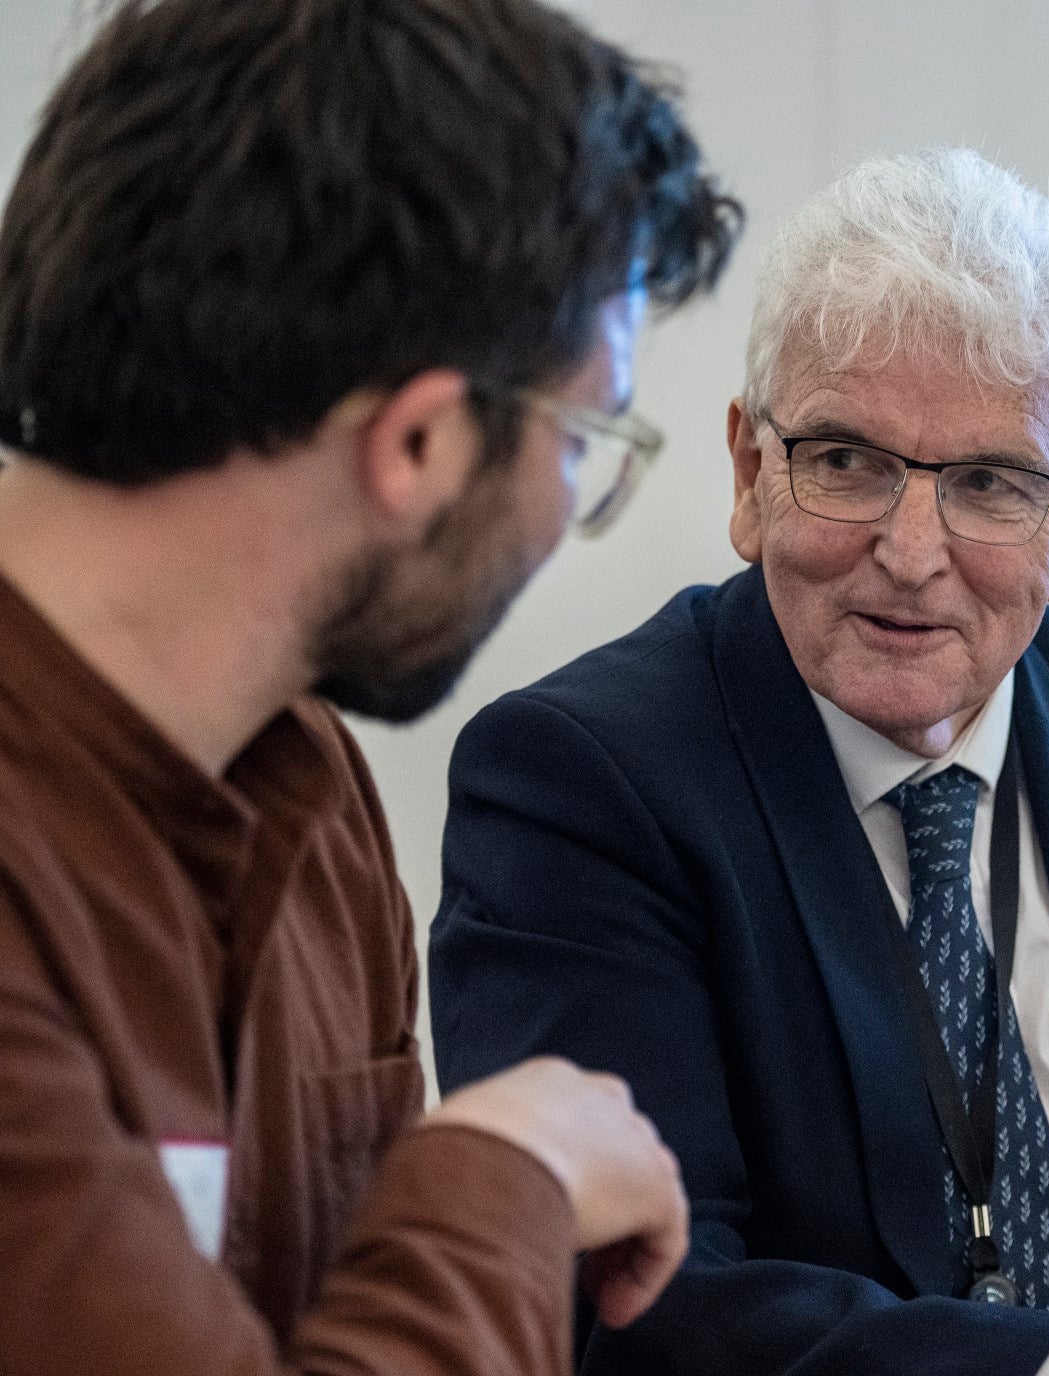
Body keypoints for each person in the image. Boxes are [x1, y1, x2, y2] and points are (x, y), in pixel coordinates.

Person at [430, 148, 1049, 1376]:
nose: (912, 552)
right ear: (751, 472)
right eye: (848, 462)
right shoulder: (584, 780)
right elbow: (639, 1308)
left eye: (991, 483)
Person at [0, 1, 740, 1371]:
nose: (572, 502)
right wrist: (501, 1180)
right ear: (418, 439)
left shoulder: (306, 780)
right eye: (587, 434)